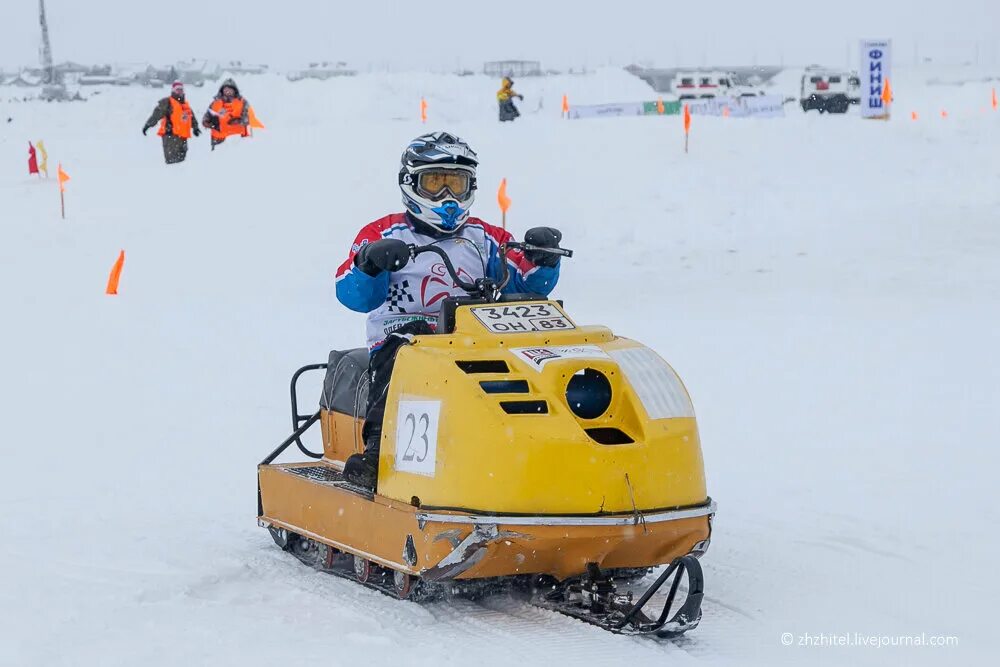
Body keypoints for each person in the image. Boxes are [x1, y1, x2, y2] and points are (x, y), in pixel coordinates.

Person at [335, 131, 564, 489]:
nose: (447, 197)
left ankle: (536, 445)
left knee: (527, 363)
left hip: (474, 335)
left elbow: (525, 282)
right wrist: (370, 262)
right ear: (411, 184)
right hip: (405, 338)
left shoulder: (484, 237)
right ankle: (379, 451)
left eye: (456, 185)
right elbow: (353, 295)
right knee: (407, 359)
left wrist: (542, 259)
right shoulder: (383, 232)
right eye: (435, 184)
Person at [142, 81, 200, 164]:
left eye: (181, 90)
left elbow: (191, 117)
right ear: (173, 91)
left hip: (183, 138)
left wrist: (195, 127)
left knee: (181, 162)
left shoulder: (185, 105)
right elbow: (156, 115)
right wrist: (148, 125)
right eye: (177, 90)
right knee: (172, 163)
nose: (179, 91)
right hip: (171, 136)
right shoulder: (167, 102)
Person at [202, 78, 250, 150]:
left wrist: (239, 121)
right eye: (226, 89)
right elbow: (206, 118)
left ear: (234, 91)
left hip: (237, 140)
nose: (228, 92)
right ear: (222, 90)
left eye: (230, 89)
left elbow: (249, 118)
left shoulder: (242, 102)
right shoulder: (214, 103)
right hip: (218, 140)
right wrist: (208, 123)